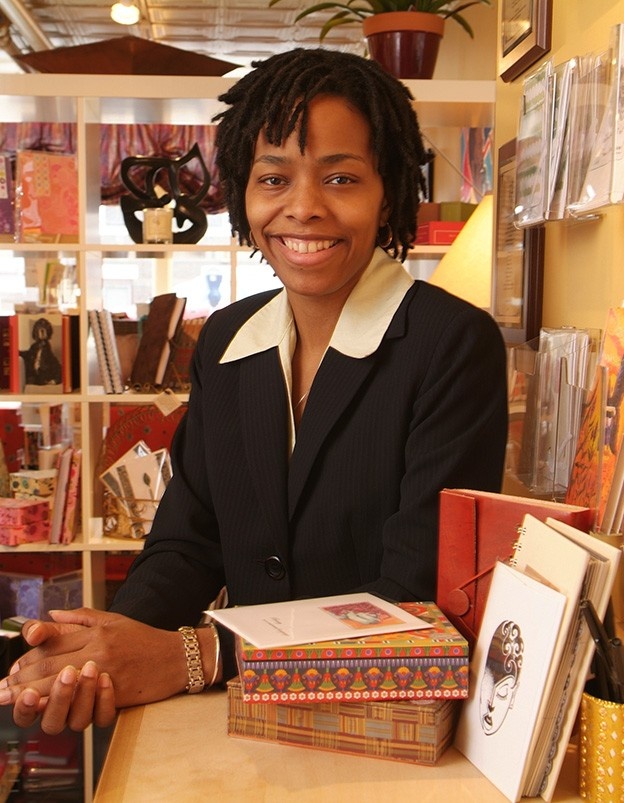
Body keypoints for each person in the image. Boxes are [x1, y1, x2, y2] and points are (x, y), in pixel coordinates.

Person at [0, 47, 508, 735]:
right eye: (274, 178)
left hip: (381, 727)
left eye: (341, 178)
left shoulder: (451, 344)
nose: (304, 208)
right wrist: (99, 655)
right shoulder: (227, 339)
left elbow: (414, 597)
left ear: (387, 191)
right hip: (246, 721)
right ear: (242, 190)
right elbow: (188, 539)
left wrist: (197, 655)